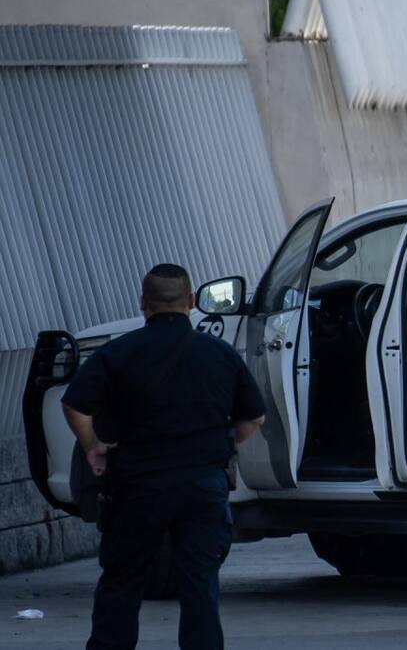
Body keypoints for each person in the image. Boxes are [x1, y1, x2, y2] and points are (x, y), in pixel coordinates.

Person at [61, 263, 267, 650]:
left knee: (121, 582)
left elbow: (74, 405)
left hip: (137, 485)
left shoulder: (118, 352)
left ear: (144, 303)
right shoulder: (220, 354)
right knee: (200, 586)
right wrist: (224, 444)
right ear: (191, 301)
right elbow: (254, 416)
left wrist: (93, 447)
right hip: (202, 486)